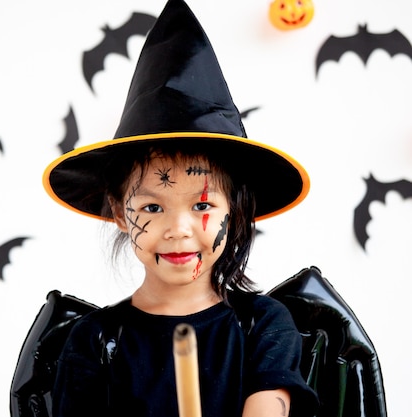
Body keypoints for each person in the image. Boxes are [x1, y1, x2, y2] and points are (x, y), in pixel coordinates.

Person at [41, 0, 319, 416]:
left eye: (203, 203)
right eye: (152, 207)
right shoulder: (94, 343)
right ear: (119, 212)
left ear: (236, 212)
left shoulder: (264, 326)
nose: (178, 228)